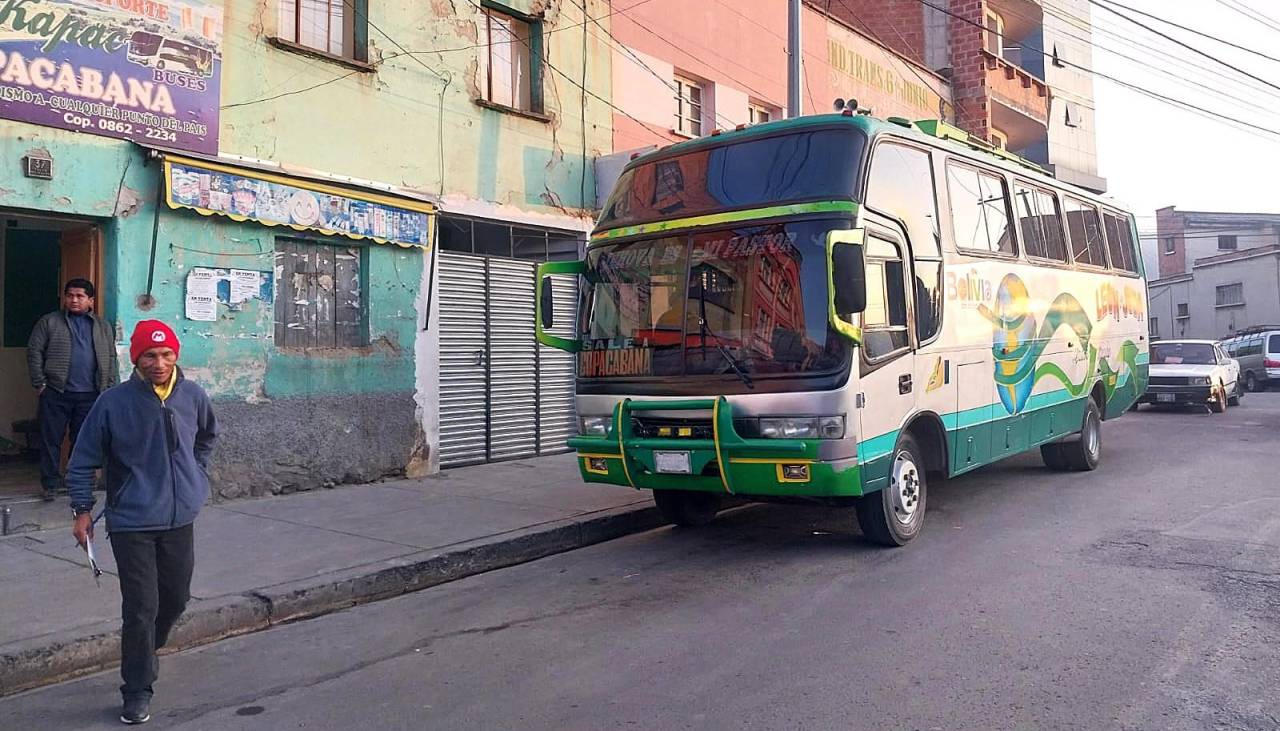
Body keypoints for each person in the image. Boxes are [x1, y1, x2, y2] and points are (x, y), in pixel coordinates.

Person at [68, 320, 218, 725]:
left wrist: (195, 478)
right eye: (149, 355)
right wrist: (82, 510)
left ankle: (146, 649)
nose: (159, 363)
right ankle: (136, 689)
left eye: (166, 354)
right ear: (135, 358)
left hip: (179, 517)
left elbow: (206, 437)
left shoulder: (192, 396)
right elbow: (83, 458)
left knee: (176, 599)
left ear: (176, 355)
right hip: (131, 518)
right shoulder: (112, 403)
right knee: (140, 607)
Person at [26, 278, 119, 501]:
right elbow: (34, 351)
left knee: (83, 441)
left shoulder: (102, 325)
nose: (74, 300)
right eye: (70, 295)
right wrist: (40, 383)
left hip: (91, 394)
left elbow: (111, 356)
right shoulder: (49, 322)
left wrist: (110, 388)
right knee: (51, 439)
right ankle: (50, 484)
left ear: (91, 301)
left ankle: (76, 482)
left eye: (80, 296)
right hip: (57, 391)